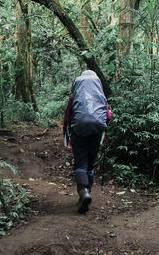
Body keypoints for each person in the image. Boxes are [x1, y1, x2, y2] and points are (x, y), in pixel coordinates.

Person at [63, 70, 112, 213]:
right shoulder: (100, 96)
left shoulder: (75, 96)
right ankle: (87, 191)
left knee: (80, 163)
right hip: (96, 130)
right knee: (90, 163)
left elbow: (67, 118)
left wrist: (66, 135)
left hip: (79, 130)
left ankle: (83, 192)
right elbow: (108, 116)